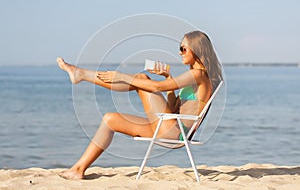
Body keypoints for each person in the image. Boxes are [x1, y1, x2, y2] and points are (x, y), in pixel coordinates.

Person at [57, 30, 223, 179]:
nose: (180, 53)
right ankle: (78, 170)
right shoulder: (195, 76)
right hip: (170, 127)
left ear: (197, 49)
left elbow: (157, 88)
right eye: (180, 48)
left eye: (183, 49)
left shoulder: (199, 74)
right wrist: (167, 77)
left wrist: (123, 77)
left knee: (142, 79)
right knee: (110, 119)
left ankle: (81, 74)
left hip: (174, 134)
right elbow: (172, 108)